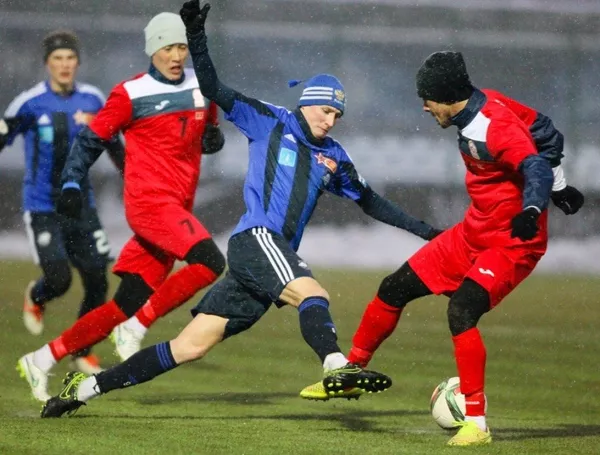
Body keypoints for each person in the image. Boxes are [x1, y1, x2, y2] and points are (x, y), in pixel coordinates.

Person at [39, 0, 444, 418]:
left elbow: (371, 201)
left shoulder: (335, 157)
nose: (330, 120)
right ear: (307, 103)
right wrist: (196, 37)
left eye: (337, 115)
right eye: (326, 110)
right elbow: (213, 87)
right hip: (257, 240)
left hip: (265, 260)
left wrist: (428, 232)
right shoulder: (270, 120)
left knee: (189, 346)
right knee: (314, 293)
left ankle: (85, 387)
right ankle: (336, 365)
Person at [301, 51, 586, 446]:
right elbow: (545, 128)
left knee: (462, 311)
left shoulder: (494, 127)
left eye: (428, 99)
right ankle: (350, 374)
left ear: (449, 97)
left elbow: (533, 165)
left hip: (513, 242)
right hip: (473, 232)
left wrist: (536, 204)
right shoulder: (485, 102)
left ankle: (476, 423)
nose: (425, 107)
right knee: (394, 288)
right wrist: (562, 185)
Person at [17, 12, 226, 403]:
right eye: (168, 47)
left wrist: (212, 138)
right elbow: (90, 141)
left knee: (124, 302)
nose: (176, 55)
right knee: (210, 262)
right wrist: (72, 181)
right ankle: (138, 325)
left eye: (181, 47)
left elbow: (208, 128)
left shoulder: (202, 86)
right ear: (152, 50)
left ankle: (42, 358)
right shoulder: (130, 93)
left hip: (178, 207)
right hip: (149, 204)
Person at [1, 30, 125, 375]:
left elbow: (113, 144)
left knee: (98, 281)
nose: (65, 64)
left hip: (82, 205)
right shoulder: (29, 103)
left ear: (78, 62)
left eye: (70, 58)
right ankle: (37, 296)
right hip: (42, 205)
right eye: (58, 58)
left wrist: (132, 175)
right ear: (47, 64)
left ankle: (82, 350)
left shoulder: (93, 99)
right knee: (59, 280)